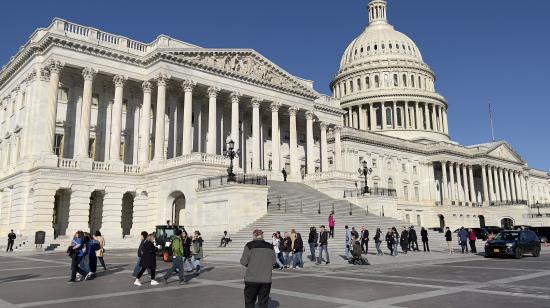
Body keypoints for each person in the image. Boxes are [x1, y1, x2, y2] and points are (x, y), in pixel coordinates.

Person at [240, 229, 276, 308]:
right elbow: (273, 262)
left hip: (251, 279)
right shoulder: (270, 246)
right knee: (263, 303)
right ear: (262, 235)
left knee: (249, 302)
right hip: (266, 279)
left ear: (254, 235)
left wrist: (252, 265)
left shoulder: (249, 245)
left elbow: (243, 261)